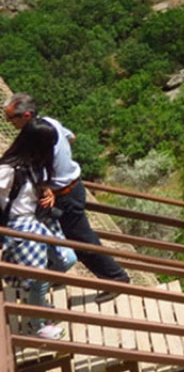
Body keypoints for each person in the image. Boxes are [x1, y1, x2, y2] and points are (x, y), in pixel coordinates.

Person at [4, 94, 131, 299]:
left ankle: (116, 279)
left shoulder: (39, 141)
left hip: (62, 195)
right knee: (64, 237)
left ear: (26, 115)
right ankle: (48, 276)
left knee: (80, 241)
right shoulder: (50, 123)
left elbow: (39, 174)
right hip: (73, 186)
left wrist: (47, 187)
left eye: (11, 118)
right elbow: (71, 137)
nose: (8, 123)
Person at [0, 119, 79, 340]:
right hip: (17, 224)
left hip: (34, 219)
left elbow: (38, 185)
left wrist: (47, 192)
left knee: (66, 259)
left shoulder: (35, 166)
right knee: (39, 275)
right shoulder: (7, 170)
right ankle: (35, 325)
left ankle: (35, 298)